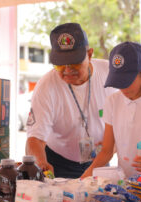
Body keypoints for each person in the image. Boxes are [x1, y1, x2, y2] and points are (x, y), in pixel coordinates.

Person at [25, 23, 116, 178]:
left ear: (89, 54)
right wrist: (40, 163)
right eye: (60, 65)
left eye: (74, 63)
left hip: (100, 160)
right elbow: (34, 139)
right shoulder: (46, 86)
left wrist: (112, 147)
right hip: (59, 163)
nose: (67, 70)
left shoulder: (110, 74)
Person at [80, 42, 141, 179]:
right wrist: (85, 175)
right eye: (118, 82)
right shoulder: (112, 101)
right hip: (126, 182)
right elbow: (107, 151)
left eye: (127, 82)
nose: (123, 88)